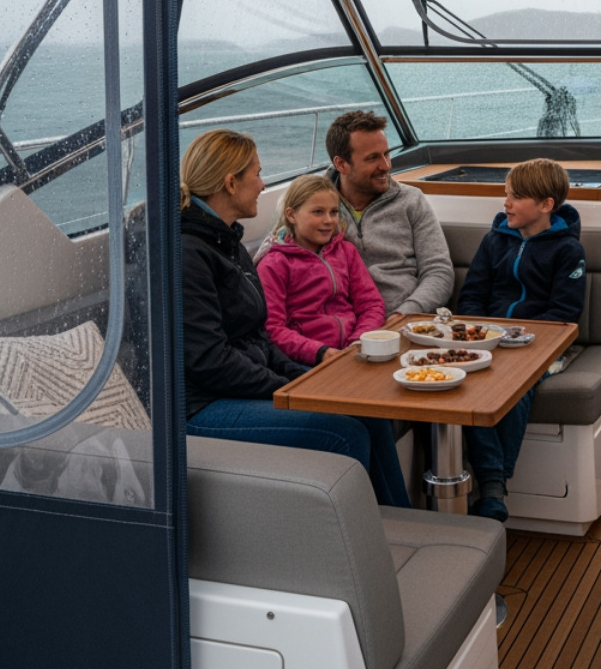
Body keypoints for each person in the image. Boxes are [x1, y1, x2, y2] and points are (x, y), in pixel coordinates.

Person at [179, 129, 410, 507]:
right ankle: (365, 546)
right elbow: (209, 361)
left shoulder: (225, 241)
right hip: (202, 406)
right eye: (257, 173)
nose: (262, 183)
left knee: (364, 408)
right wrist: (285, 388)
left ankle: (405, 525)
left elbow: (259, 337)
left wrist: (304, 377)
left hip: (244, 385)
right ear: (230, 182)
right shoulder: (189, 253)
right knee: (343, 433)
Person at [456, 158, 587, 521]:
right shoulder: (494, 240)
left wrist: (518, 338)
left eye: (515, 197)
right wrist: (481, 333)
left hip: (542, 344)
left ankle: (494, 485)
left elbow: (564, 313)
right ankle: (493, 487)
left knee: (515, 386)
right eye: (506, 195)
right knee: (466, 385)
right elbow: (472, 295)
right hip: (488, 341)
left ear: (546, 205)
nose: (506, 204)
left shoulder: (568, 251)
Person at [326, 110, 454, 315]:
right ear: (341, 164)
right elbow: (275, 256)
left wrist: (403, 314)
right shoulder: (312, 205)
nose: (385, 166)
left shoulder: (412, 200)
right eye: (372, 158)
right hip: (340, 326)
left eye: (386, 154)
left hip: (404, 320)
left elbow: (439, 272)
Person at [256, 174, 386, 366]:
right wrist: (320, 352)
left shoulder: (346, 252)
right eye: (318, 212)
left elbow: (371, 304)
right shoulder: (274, 264)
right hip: (306, 360)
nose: (329, 220)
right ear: (291, 215)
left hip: (354, 350)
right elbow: (272, 328)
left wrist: (359, 340)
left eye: (333, 212)